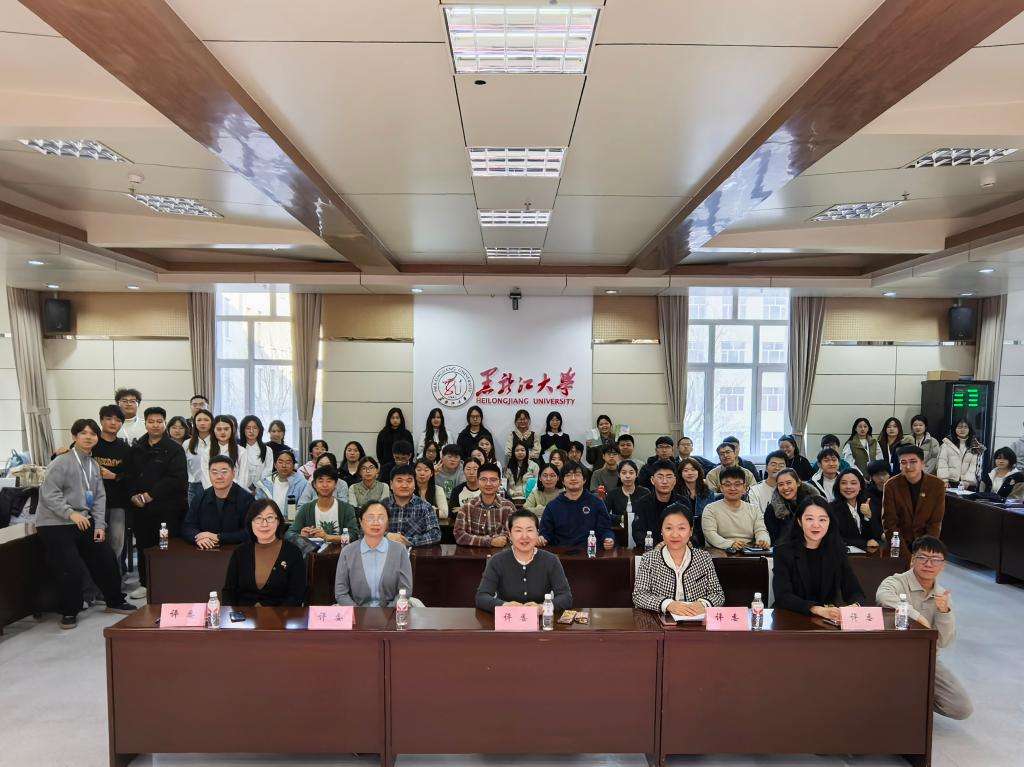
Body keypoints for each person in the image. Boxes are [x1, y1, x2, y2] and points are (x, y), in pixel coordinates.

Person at [37, 419, 136, 628]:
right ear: (74, 436)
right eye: (83, 433)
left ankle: (114, 600)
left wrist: (99, 525)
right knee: (70, 568)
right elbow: (49, 493)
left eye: (92, 434)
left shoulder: (93, 465)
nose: (88, 437)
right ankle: (69, 611)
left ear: (97, 438)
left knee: (106, 557)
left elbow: (99, 497)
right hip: (55, 523)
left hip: (83, 520)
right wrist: (70, 514)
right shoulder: (61, 461)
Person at [876, 536, 972, 720]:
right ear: (913, 559)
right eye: (922, 557)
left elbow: (944, 642)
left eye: (936, 559)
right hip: (891, 657)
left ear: (943, 565)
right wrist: (918, 617)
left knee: (961, 708)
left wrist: (944, 612)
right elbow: (883, 596)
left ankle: (918, 701)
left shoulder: (942, 595)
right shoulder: (896, 582)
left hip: (926, 658)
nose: (929, 564)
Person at [127, 406, 187, 599]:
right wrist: (134, 496)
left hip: (167, 510)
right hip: (142, 509)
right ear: (145, 423)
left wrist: (150, 495)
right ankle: (145, 583)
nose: (155, 425)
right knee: (144, 546)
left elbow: (176, 479)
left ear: (165, 423)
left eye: (159, 422)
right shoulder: (137, 447)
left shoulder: (174, 449)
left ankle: (168, 582)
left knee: (165, 546)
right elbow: (130, 475)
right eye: (151, 422)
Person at [773, 497, 866, 619]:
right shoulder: (783, 551)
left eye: (822, 519)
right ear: (799, 522)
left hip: (825, 619)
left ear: (829, 522)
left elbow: (855, 591)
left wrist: (854, 606)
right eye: (809, 519)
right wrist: (816, 609)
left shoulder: (837, 551)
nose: (816, 525)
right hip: (790, 618)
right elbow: (783, 596)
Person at [632, 504, 725, 616]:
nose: (675, 535)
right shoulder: (649, 559)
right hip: (660, 621)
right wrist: (668, 605)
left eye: (681, 528)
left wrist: (703, 604)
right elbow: (639, 595)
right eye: (668, 528)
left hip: (695, 620)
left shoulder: (703, 558)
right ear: (661, 531)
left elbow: (718, 594)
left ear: (690, 531)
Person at [475, 509, 572, 613]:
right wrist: (504, 605)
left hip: (540, 619)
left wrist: (542, 608)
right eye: (518, 530)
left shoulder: (551, 560)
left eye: (529, 530)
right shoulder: (497, 561)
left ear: (537, 533)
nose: (524, 536)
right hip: (507, 619)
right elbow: (481, 597)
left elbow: (566, 597)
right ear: (510, 535)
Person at [222, 500, 306, 607]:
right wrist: (234, 615)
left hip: (281, 615)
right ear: (251, 522)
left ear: (278, 521)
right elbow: (228, 592)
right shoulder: (240, 552)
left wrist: (276, 615)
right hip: (243, 615)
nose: (264, 524)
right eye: (258, 518)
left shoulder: (293, 552)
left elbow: (296, 596)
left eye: (270, 518)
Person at [334, 501, 413, 607]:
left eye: (381, 518)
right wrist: (358, 613)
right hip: (357, 613)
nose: (376, 522)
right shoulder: (347, 552)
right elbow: (341, 593)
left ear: (387, 523)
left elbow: (405, 590)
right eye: (370, 518)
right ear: (361, 522)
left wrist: (388, 613)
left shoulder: (399, 550)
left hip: (392, 612)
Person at [181, 455, 255, 549]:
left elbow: (250, 531)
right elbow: (188, 525)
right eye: (214, 472)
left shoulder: (247, 499)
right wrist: (199, 538)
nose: (219, 476)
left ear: (233, 473)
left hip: (236, 550)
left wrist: (218, 537)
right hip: (205, 550)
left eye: (224, 472)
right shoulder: (200, 497)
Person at [882, 445, 946, 550]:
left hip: (925, 545)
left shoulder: (937, 485)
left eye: (913, 462)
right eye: (903, 462)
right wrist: (905, 554)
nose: (908, 466)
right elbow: (890, 524)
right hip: (898, 543)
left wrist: (923, 551)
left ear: (922, 464)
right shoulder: (891, 485)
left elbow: (935, 523)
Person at [538, 462, 614, 549]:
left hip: (590, 552)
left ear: (584, 479)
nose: (573, 478)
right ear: (562, 481)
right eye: (568, 475)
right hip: (561, 553)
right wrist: (542, 538)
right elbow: (545, 532)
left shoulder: (596, 503)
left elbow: (605, 529)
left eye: (577, 475)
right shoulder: (552, 506)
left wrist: (608, 538)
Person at [91, 405, 132, 565]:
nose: (113, 423)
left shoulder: (125, 448)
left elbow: (132, 477)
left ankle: (114, 576)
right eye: (109, 419)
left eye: (118, 420)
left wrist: (113, 476)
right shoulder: (91, 443)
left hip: (117, 503)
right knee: (93, 543)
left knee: (116, 542)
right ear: (101, 420)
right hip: (91, 503)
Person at [701, 466, 771, 552]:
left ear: (744, 488)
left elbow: (761, 531)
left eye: (737, 484)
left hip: (748, 551)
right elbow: (710, 534)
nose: (732, 488)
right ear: (721, 488)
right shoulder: (710, 509)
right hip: (720, 552)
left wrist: (763, 541)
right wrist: (730, 544)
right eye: (727, 485)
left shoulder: (754, 509)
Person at [288, 465, 359, 545]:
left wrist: (327, 537)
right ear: (314, 484)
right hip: (313, 552)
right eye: (321, 481)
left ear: (335, 485)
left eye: (329, 481)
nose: (325, 485)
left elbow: (354, 536)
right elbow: (289, 534)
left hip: (341, 551)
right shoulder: (306, 508)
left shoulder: (346, 508)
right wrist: (301, 536)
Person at [454, 463, 516, 546]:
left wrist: (504, 538)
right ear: (477, 481)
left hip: (501, 553)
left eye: (493, 480)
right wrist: (490, 541)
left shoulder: (508, 507)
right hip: (472, 553)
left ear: (500, 482)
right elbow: (459, 535)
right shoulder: (467, 507)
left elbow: (515, 532)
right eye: (483, 479)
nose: (488, 484)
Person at [384, 464, 441, 546]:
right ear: (391, 484)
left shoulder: (425, 507)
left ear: (415, 485)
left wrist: (407, 541)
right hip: (385, 551)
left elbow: (435, 535)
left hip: (415, 552)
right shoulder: (381, 506)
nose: (404, 485)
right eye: (399, 481)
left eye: (409, 481)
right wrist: (386, 536)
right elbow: (366, 531)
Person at [829, 468, 882, 550]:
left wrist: (868, 516)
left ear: (860, 486)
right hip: (843, 553)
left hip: (870, 554)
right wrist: (865, 543)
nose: (848, 487)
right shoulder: (831, 508)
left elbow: (877, 534)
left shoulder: (869, 504)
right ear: (838, 486)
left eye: (853, 483)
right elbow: (834, 538)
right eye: (843, 483)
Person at [764, 468, 823, 542]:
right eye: (781, 484)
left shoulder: (815, 504)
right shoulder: (772, 509)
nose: (785, 487)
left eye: (789, 483)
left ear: (798, 483)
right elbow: (774, 538)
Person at [633, 459, 682, 547]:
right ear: (652, 480)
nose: (664, 481)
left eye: (669, 477)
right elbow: (638, 533)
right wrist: (657, 546)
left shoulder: (683, 503)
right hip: (652, 550)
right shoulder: (642, 503)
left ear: (675, 480)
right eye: (660, 477)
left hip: (677, 548)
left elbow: (689, 530)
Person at [674, 457, 716, 547]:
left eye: (693, 470)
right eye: (686, 470)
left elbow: (712, 514)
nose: (690, 473)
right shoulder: (675, 492)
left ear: (698, 472)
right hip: (682, 529)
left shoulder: (708, 492)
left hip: (704, 529)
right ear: (680, 473)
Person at [937, 418, 985, 489]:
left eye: (965, 427)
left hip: (968, 484)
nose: (962, 430)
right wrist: (944, 480)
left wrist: (967, 482)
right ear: (954, 429)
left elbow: (975, 466)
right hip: (949, 482)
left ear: (969, 429)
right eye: (959, 427)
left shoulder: (975, 446)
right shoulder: (947, 443)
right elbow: (942, 462)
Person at [606, 459, 651, 531]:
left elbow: (650, 513)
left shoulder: (645, 492)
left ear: (637, 474)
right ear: (618, 474)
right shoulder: (612, 493)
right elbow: (605, 514)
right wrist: (621, 518)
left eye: (631, 473)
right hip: (619, 530)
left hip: (641, 530)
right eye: (624, 473)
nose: (627, 476)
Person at [237, 415, 274, 493]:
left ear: (260, 430)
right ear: (243, 430)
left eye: (255, 428)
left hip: (261, 489)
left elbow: (267, 471)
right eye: (248, 428)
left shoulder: (267, 450)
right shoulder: (237, 449)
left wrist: (259, 488)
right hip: (240, 489)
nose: (251, 431)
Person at [210, 415, 248, 489]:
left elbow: (243, 478)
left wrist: (235, 493)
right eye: (219, 429)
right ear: (213, 431)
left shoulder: (241, 451)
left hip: (236, 492)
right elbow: (206, 479)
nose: (223, 432)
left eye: (226, 429)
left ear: (232, 430)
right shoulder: (207, 452)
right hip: (213, 493)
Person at [185, 409, 214, 507]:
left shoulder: (217, 443)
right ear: (194, 422)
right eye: (199, 420)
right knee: (194, 515)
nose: (202, 423)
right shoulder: (187, 443)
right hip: (194, 487)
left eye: (206, 420)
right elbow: (185, 467)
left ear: (212, 422)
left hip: (214, 486)